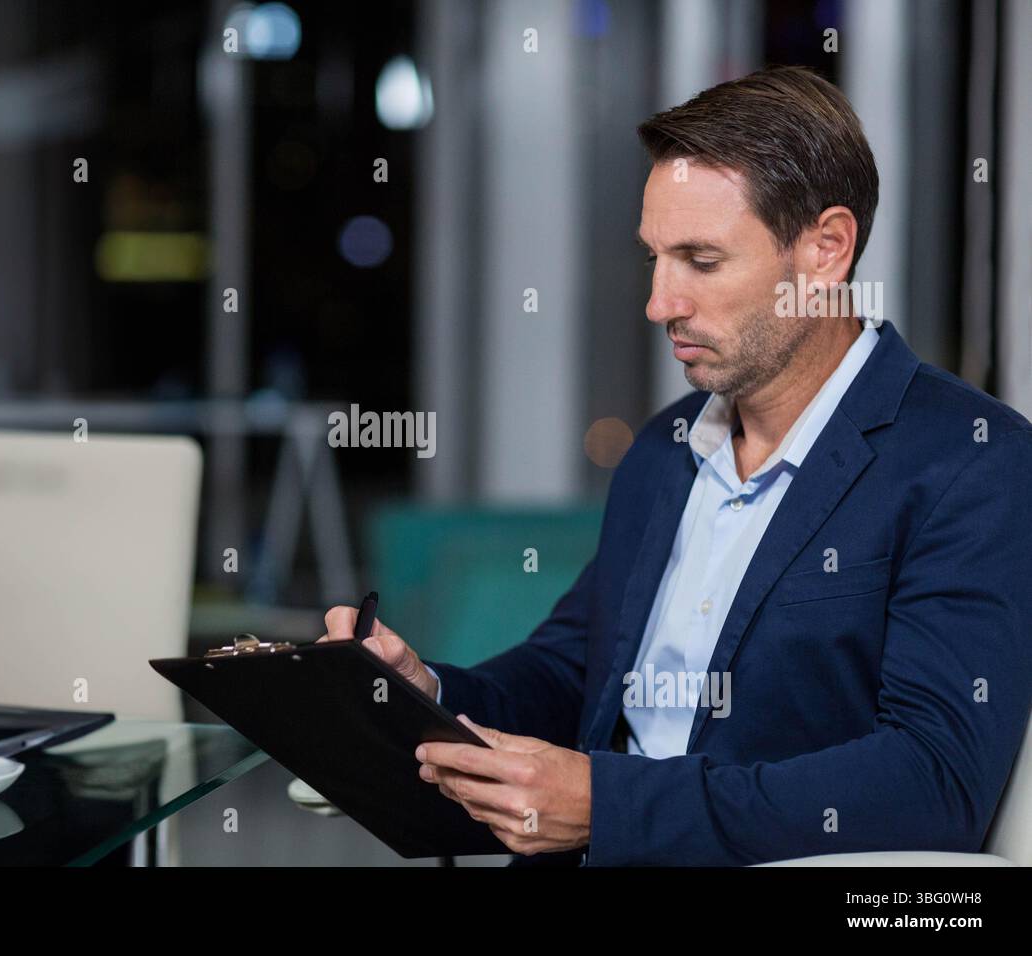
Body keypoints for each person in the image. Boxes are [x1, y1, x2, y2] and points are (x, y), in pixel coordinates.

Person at [319, 65, 1032, 866]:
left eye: (701, 259)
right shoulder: (667, 446)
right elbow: (575, 675)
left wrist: (608, 806)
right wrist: (431, 695)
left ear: (827, 249)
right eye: (655, 258)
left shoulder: (970, 460)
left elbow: (932, 784)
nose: (661, 303)